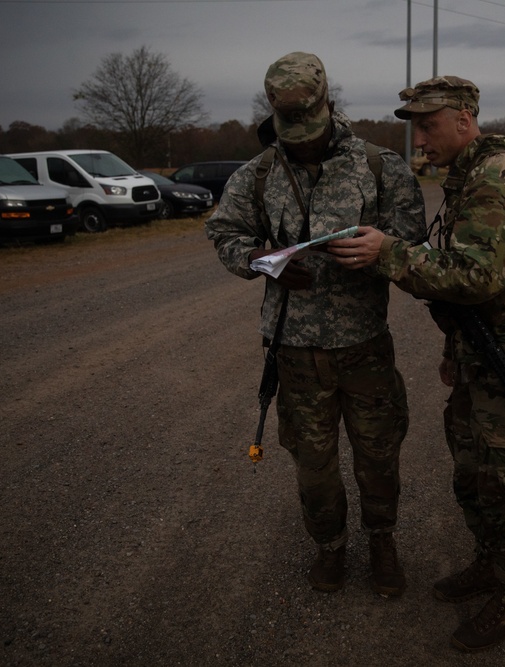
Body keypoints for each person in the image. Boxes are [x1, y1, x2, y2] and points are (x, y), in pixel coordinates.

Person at [328, 76, 505, 651]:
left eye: (429, 124)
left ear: (465, 119)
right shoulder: (469, 176)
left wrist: (386, 251)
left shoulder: (499, 179)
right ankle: (490, 563)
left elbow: (477, 276)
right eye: (414, 125)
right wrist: (452, 350)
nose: (420, 138)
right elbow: (471, 282)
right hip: (482, 350)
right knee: (474, 467)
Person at [205, 52, 427, 597]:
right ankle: (329, 548)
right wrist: (265, 260)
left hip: (365, 346)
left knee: (379, 455)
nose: (300, 140)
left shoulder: (380, 167)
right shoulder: (256, 174)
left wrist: (382, 250)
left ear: (329, 106)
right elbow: (224, 236)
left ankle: (382, 542)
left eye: (309, 126)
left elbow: (416, 244)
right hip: (295, 351)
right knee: (314, 464)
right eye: (290, 130)